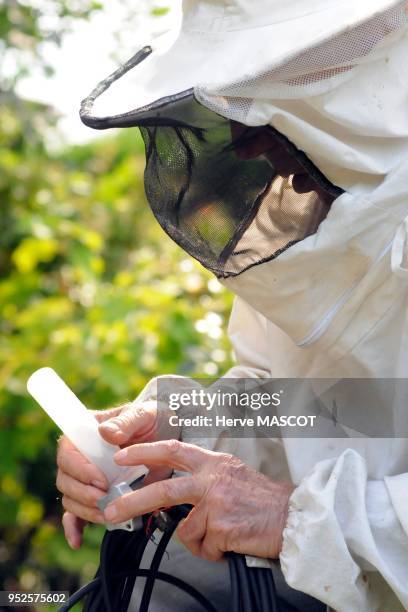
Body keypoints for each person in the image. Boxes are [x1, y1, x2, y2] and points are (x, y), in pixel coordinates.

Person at [56, 1, 408, 610]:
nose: (243, 147)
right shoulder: (318, 238)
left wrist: (295, 517)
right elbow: (303, 405)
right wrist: (176, 431)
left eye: (261, 99)